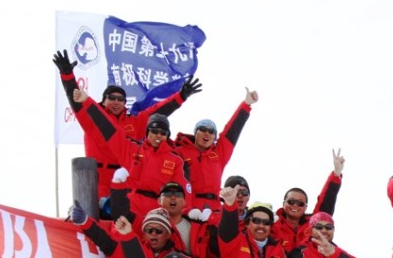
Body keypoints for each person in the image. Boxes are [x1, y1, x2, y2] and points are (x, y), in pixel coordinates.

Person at [53, 49, 200, 202]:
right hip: (97, 181)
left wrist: (181, 96)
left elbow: (159, 112)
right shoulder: (92, 118)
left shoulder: (134, 122)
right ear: (104, 101)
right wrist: (67, 75)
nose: (116, 102)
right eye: (112, 98)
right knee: (97, 218)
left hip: (127, 179)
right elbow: (75, 99)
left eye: (121, 99)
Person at [68, 84, 190, 225]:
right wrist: (85, 98)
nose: (158, 135)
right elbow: (108, 127)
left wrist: (180, 97)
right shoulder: (132, 150)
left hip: (152, 206)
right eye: (112, 98)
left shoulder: (174, 159)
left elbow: (183, 191)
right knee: (104, 222)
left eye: (163, 133)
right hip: (109, 187)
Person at [174, 88, 258, 223]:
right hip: (188, 207)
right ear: (195, 133)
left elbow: (232, 131)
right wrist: (186, 209)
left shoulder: (219, 154)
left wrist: (246, 104)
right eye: (203, 130)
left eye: (211, 132)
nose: (207, 134)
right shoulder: (179, 151)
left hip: (214, 208)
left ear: (214, 138)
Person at [271, 150, 344, 254]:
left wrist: (336, 174)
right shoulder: (271, 223)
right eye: (291, 202)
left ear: (305, 207)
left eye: (300, 203)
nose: (295, 205)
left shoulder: (314, 224)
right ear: (283, 204)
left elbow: (327, 201)